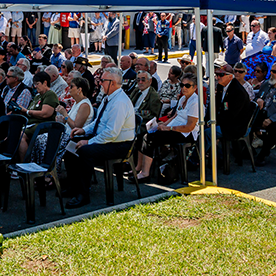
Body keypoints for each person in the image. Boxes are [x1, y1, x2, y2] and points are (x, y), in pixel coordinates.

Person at [64, 66, 135, 207]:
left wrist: (89, 141)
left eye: (102, 80)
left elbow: (111, 133)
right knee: (71, 144)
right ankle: (75, 186)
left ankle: (84, 195)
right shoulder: (109, 98)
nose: (99, 83)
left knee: (85, 151)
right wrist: (83, 131)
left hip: (119, 144)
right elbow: (98, 121)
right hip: (108, 139)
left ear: (112, 83)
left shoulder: (119, 102)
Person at [136, 73, 200, 180]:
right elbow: (175, 115)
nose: (184, 88)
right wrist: (163, 124)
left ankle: (145, 172)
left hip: (186, 133)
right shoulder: (183, 99)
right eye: (182, 85)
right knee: (143, 134)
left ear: (194, 87)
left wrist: (168, 128)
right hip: (175, 128)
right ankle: (139, 167)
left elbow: (189, 127)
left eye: (187, 86)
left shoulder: (195, 102)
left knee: (150, 138)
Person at [17, 71, 59, 160]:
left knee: (20, 136)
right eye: (34, 84)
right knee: (12, 129)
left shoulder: (50, 95)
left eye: (37, 84)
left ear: (45, 83)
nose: (35, 86)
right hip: (30, 123)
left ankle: (23, 163)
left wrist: (27, 111)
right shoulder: (37, 96)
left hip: (42, 125)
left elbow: (45, 113)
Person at [209, 63, 250, 150]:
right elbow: (215, 105)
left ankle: (196, 159)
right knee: (200, 128)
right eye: (217, 74)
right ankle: (214, 156)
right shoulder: (221, 86)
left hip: (235, 126)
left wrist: (215, 122)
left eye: (221, 75)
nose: (218, 77)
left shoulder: (238, 92)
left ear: (230, 77)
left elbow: (232, 115)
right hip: (224, 121)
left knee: (207, 133)